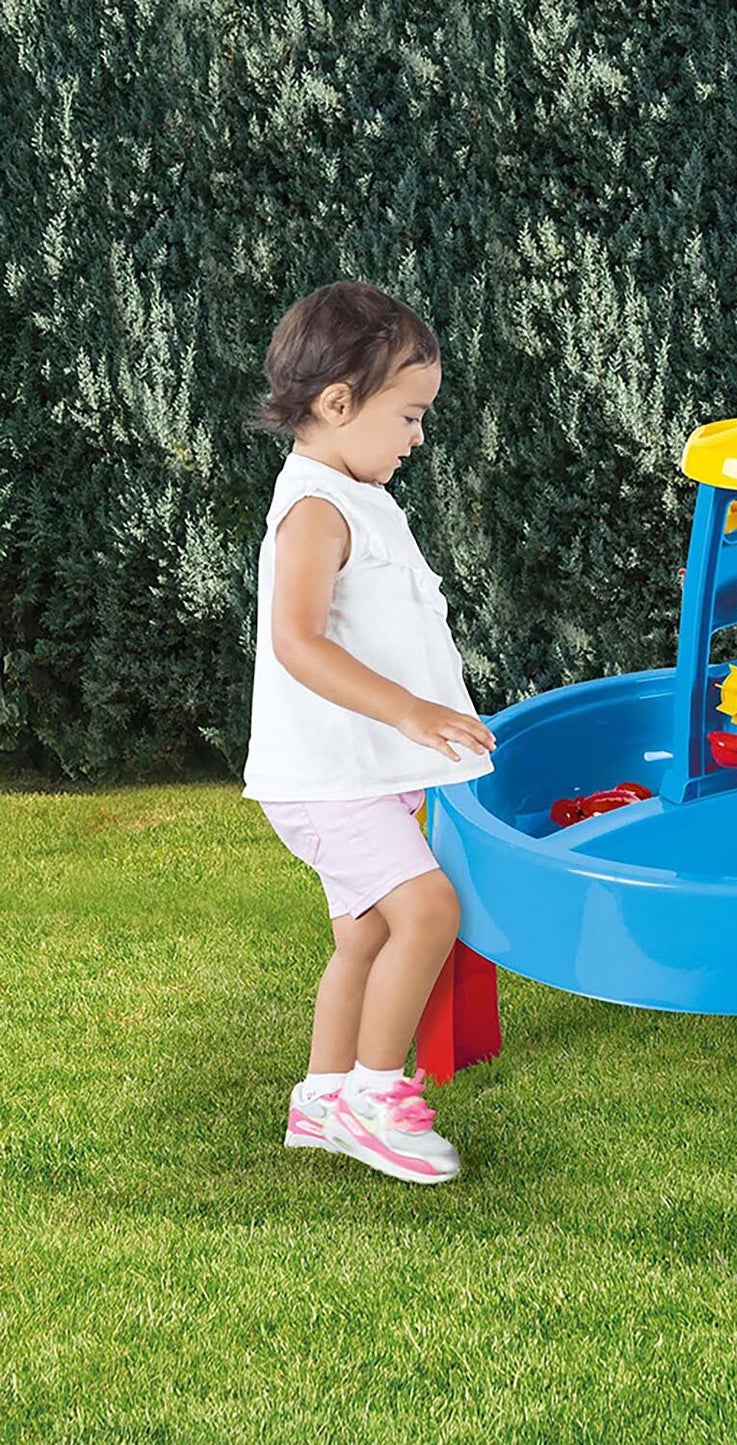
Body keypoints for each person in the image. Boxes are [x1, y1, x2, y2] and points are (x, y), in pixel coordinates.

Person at [242, 280, 497, 1184]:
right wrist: (411, 712)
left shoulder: (353, 490)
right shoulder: (315, 509)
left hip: (358, 773)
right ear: (338, 403)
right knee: (427, 912)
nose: (417, 437)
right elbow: (298, 641)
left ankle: (320, 1098)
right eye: (409, 416)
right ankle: (375, 1098)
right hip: (327, 778)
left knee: (362, 937)